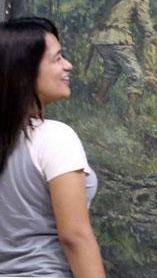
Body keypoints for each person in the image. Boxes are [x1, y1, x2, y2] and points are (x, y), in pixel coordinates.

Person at [0, 17, 105, 277]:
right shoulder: (55, 137)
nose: (68, 66)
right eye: (57, 58)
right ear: (25, 70)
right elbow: (75, 236)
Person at [91, 0, 157, 118]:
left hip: (101, 39)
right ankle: (130, 111)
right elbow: (146, 27)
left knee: (111, 69)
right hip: (117, 39)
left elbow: (101, 16)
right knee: (137, 75)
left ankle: (99, 98)